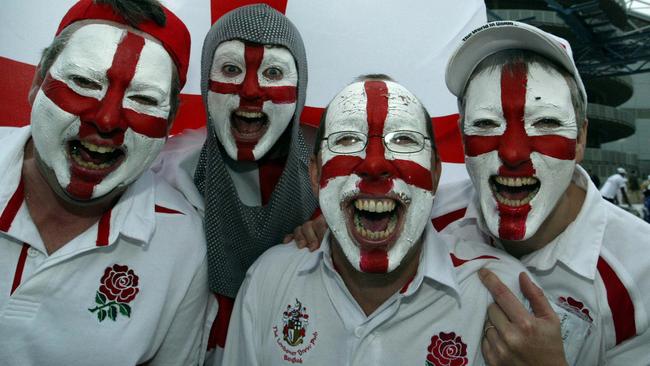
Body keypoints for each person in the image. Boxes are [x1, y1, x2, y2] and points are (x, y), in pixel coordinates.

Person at [222, 75, 586, 365]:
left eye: (405, 140)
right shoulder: (270, 280)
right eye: (348, 140)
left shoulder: (503, 299)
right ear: (316, 175)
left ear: (436, 172)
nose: (375, 164)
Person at [0, 1, 213, 364]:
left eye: (144, 99)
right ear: (38, 81)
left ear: (171, 119)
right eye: (84, 82)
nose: (108, 119)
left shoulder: (181, 243)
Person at [432, 21, 650, 364]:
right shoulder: (428, 221)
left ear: (579, 140)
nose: (513, 152)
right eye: (486, 124)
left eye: (546, 123)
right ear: (462, 141)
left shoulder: (642, 270)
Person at [152, 4, 318, 361]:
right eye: (230, 69)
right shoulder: (168, 175)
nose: (251, 91)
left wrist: (334, 231)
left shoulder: (332, 180)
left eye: (274, 72)